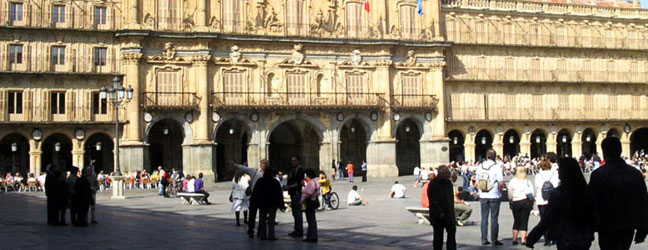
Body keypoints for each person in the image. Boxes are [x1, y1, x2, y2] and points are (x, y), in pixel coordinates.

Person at [588, 137, 648, 250]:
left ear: (604, 152)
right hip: (627, 224)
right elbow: (643, 201)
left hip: (606, 225)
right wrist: (643, 227)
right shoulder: (635, 174)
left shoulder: (599, 175)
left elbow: (591, 203)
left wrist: (589, 228)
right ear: (620, 151)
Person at [526, 158, 597, 250]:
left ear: (565, 172)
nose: (558, 171)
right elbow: (593, 215)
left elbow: (547, 219)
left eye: (560, 169)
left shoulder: (558, 194)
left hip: (565, 238)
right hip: (583, 239)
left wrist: (532, 237)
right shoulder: (587, 192)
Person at [475, 149, 504, 246]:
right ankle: (494, 240)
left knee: (484, 218)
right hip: (494, 195)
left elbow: (477, 181)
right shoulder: (497, 167)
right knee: (494, 218)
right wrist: (502, 190)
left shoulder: (480, 166)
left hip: (483, 195)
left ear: (487, 156)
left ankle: (484, 239)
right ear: (495, 157)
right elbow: (501, 182)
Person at [232, 159, 267, 238]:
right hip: (255, 195)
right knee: (252, 214)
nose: (265, 165)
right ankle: (250, 231)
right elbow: (244, 168)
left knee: (263, 215)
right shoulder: (255, 171)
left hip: (264, 196)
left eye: (267, 163)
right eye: (264, 163)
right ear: (261, 164)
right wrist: (234, 164)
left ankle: (260, 232)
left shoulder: (269, 173)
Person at [250, 167, 285, 241]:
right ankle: (271, 235)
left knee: (262, 219)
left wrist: (254, 202)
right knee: (271, 220)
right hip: (273, 204)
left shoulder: (260, 181)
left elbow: (256, 192)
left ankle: (263, 235)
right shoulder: (275, 181)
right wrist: (281, 204)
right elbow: (279, 194)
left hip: (263, 203)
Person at [428, 165, 457, 250]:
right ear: (440, 173)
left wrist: (452, 214)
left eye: (448, 173)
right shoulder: (433, 184)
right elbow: (433, 201)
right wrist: (440, 213)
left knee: (451, 236)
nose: (448, 175)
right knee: (438, 238)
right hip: (438, 216)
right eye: (446, 173)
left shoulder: (448, 183)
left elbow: (450, 199)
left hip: (449, 214)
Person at [534, 159, 560, 245]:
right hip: (554, 199)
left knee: (544, 220)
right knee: (554, 218)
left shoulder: (538, 175)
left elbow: (537, 186)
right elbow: (557, 184)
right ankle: (555, 238)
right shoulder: (555, 174)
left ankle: (547, 240)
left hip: (541, 200)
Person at [508, 166, 535, 245]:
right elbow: (532, 193)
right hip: (526, 202)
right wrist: (533, 200)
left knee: (516, 221)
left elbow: (510, 194)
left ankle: (514, 239)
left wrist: (510, 201)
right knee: (524, 221)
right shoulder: (527, 181)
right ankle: (523, 239)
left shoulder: (512, 181)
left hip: (515, 202)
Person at [285, 156, 305, 238]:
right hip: (293, 193)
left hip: (297, 193)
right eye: (292, 160)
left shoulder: (300, 170)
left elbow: (299, 183)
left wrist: (289, 187)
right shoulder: (293, 170)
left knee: (297, 213)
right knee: (295, 213)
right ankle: (297, 229)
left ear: (298, 161)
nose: (292, 162)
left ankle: (299, 231)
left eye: (294, 161)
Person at [301, 169, 320, 243]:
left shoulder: (311, 183)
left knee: (310, 220)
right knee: (312, 220)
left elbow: (309, 193)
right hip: (313, 202)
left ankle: (312, 236)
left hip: (309, 202)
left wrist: (302, 201)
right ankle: (311, 236)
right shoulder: (316, 181)